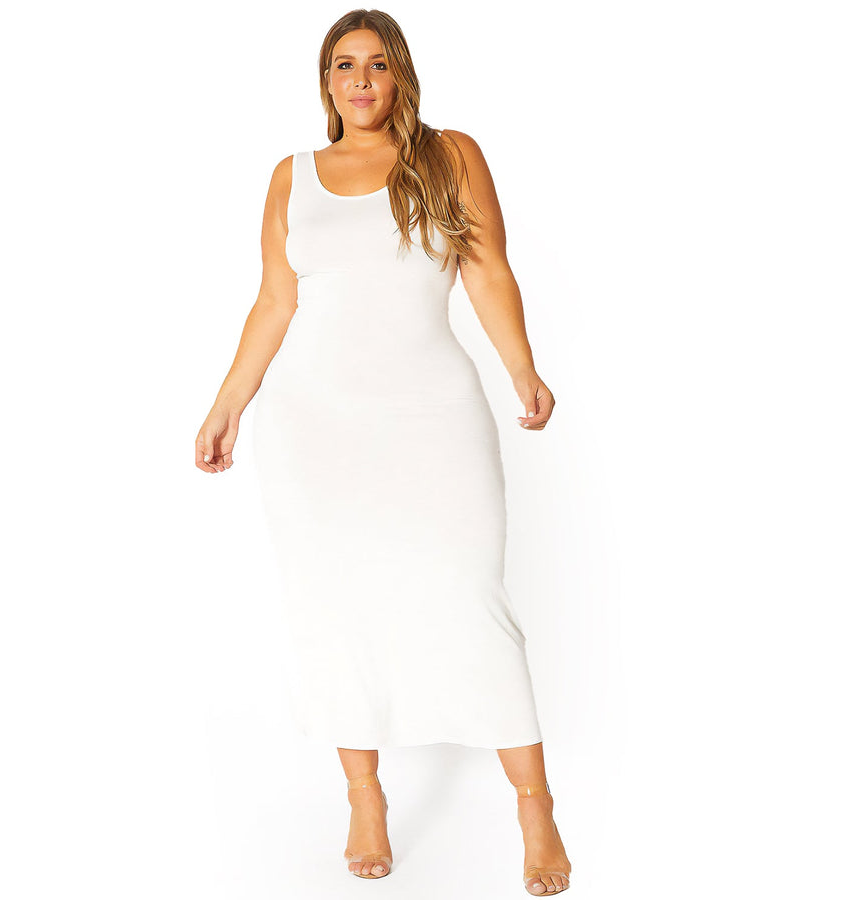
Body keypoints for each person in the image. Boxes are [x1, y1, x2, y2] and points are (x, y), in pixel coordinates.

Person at [194, 9, 572, 895]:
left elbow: (487, 268)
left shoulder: (449, 155)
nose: (359, 81)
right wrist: (226, 406)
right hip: (314, 424)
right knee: (335, 607)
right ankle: (364, 796)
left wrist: (523, 368)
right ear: (325, 82)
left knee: (471, 597)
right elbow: (274, 302)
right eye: (342, 66)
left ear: (400, 74)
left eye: (375, 64)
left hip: (432, 414)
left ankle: (536, 806)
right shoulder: (292, 176)